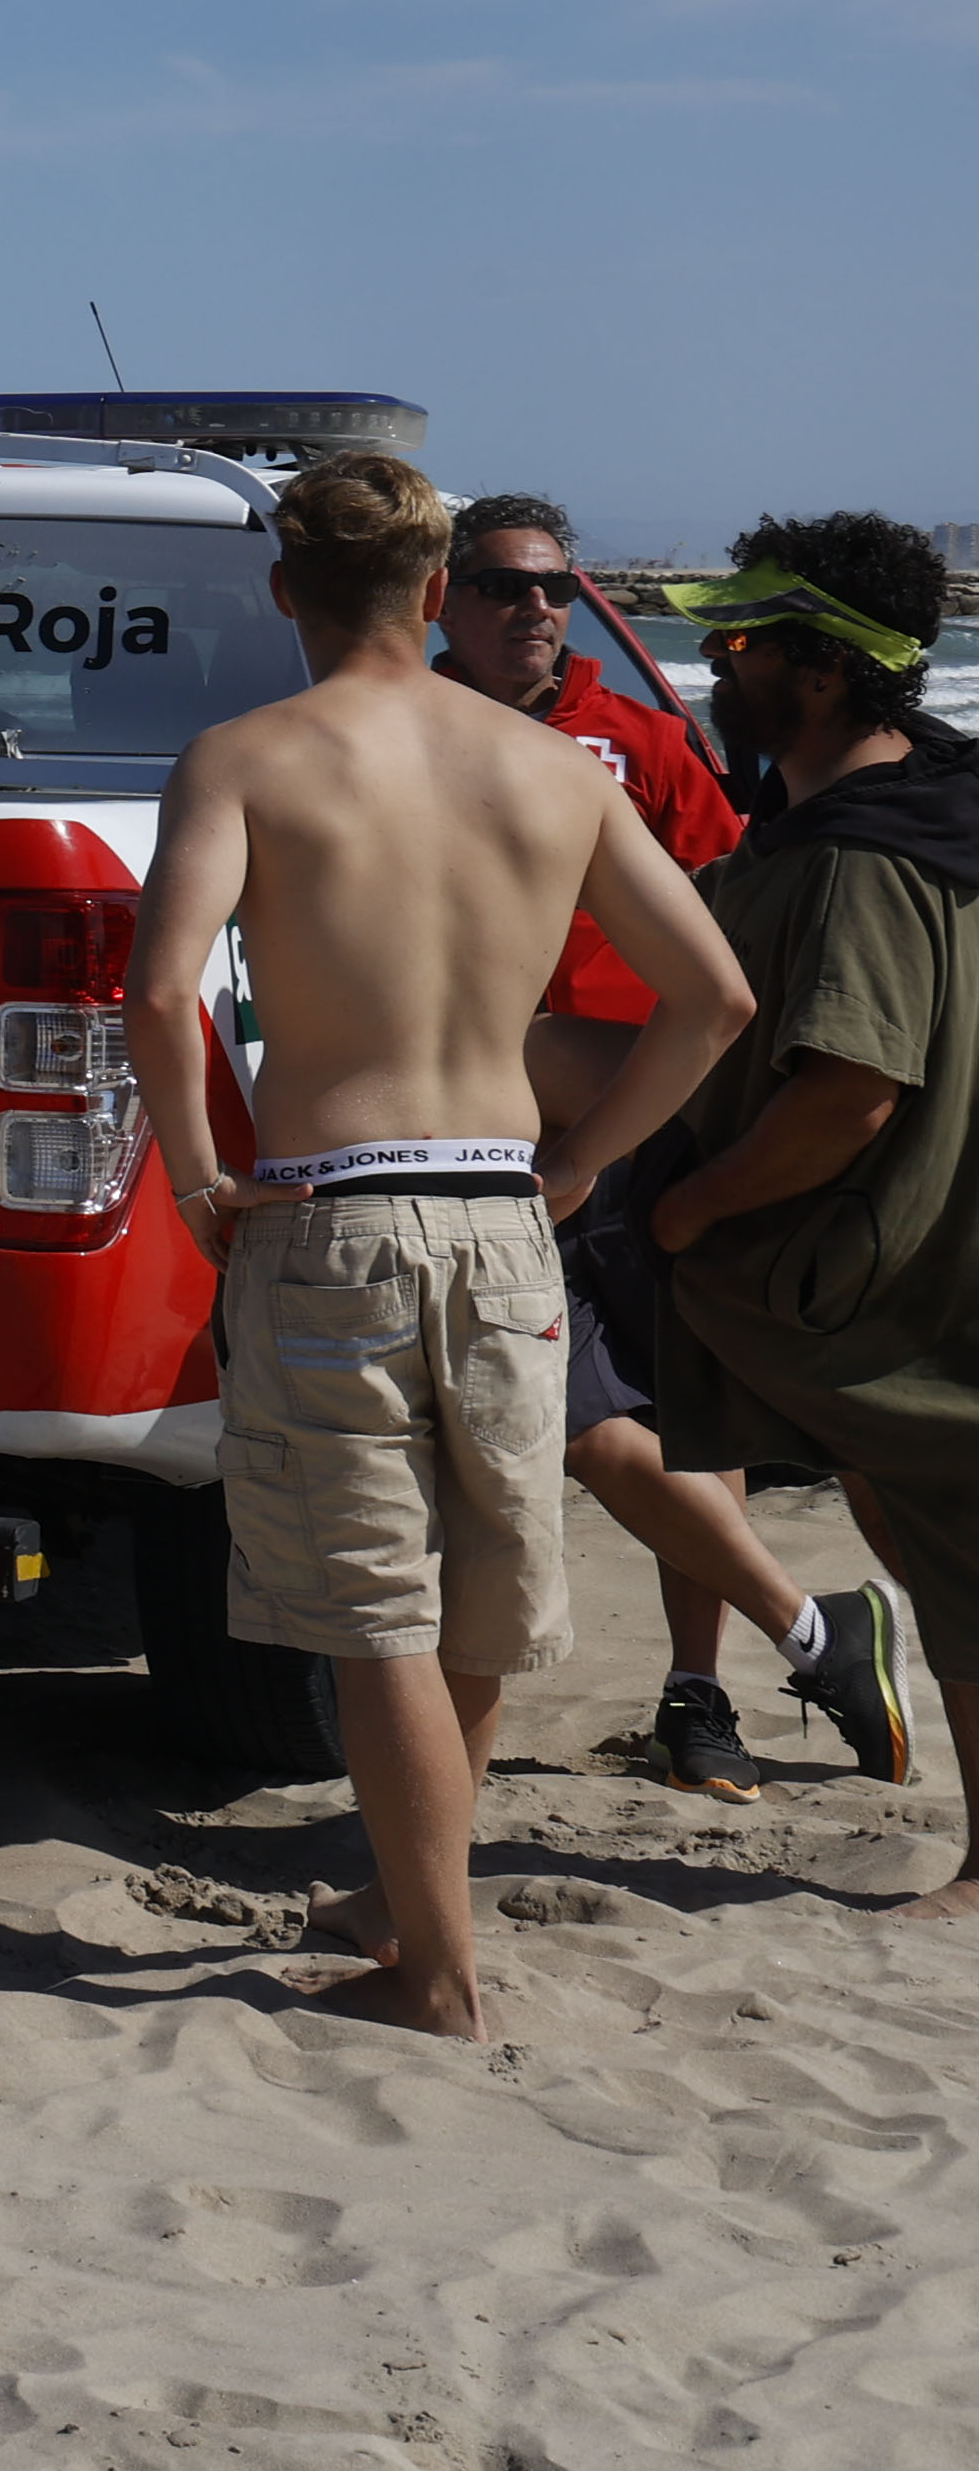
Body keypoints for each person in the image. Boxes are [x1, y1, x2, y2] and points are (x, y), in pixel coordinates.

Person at [127, 452, 753, 2041]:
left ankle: (434, 1972)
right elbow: (714, 999)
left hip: (335, 1206)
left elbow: (156, 992)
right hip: (497, 1209)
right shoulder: (557, 772)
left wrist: (203, 1178)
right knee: (475, 1594)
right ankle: (412, 1906)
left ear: (282, 592)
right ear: (431, 594)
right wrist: (583, 1160)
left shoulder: (245, 756)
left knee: (371, 1612)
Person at [437, 492, 882, 1799]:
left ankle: (697, 1697)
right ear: (441, 598)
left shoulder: (627, 737)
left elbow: (733, 912)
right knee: (576, 1428)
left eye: (556, 590)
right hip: (474, 1140)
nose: (535, 609)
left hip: (641, 1128)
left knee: (684, 1411)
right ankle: (810, 1629)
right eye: (507, 586)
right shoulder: (403, 734)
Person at [638, 513, 977, 1912]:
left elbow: (850, 1093)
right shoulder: (925, 805)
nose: (711, 664)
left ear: (823, 673)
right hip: (908, 1274)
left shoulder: (862, 856)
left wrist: (683, 1210)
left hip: (894, 1285)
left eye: (735, 642)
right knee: (928, 1544)